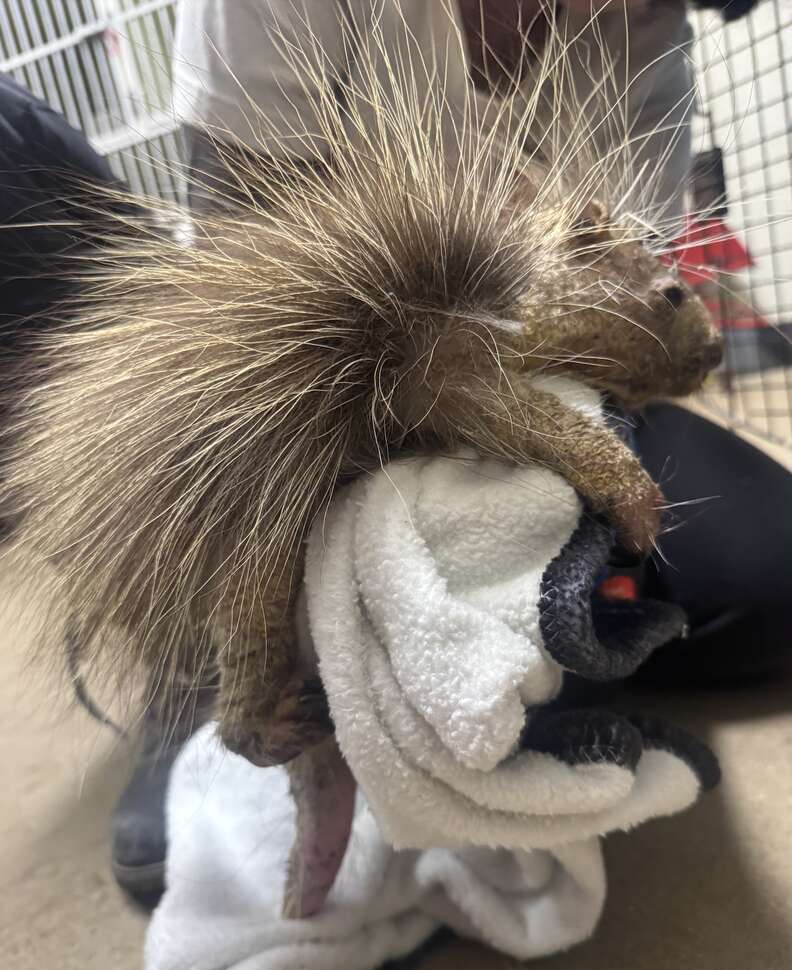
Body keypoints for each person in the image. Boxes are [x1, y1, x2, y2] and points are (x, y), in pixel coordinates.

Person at [104, 0, 784, 904]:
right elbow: (248, 242)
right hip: (305, 401)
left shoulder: (647, 38)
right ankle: (212, 674)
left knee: (767, 571)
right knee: (258, 552)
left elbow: (608, 325)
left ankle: (510, 647)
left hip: (512, 370)